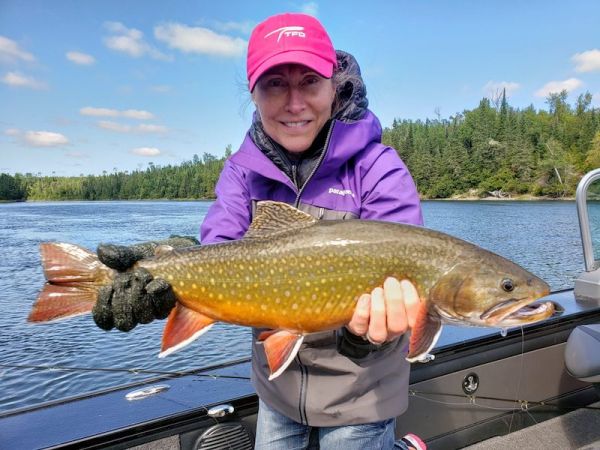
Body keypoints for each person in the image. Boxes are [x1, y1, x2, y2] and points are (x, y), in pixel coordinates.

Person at [93, 12, 426, 450]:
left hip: (362, 391)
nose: (294, 103)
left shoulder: (378, 168)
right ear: (253, 95)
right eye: (275, 85)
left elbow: (406, 271)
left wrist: (367, 335)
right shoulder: (241, 173)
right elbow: (220, 252)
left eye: (309, 81)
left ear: (334, 85)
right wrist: (170, 263)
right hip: (276, 388)